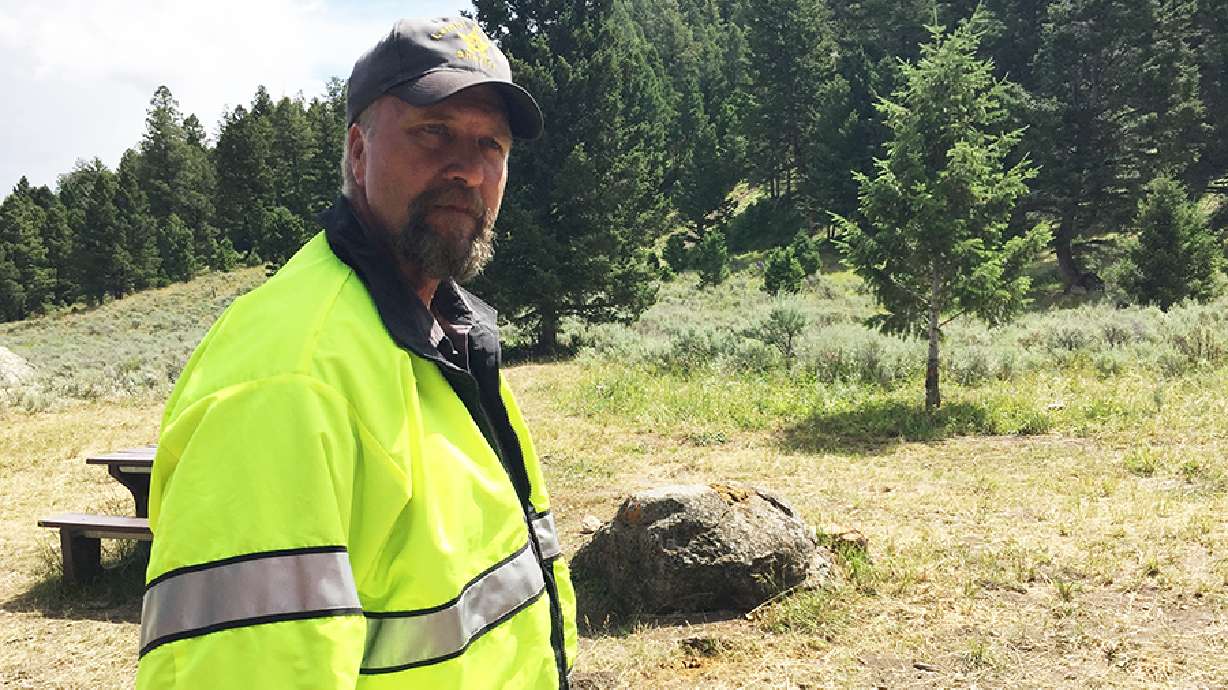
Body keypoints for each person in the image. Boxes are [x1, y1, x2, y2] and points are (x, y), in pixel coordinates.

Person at [135, 17, 578, 689]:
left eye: (491, 144)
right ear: (358, 151)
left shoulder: (439, 335)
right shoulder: (289, 377)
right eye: (434, 131)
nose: (467, 167)